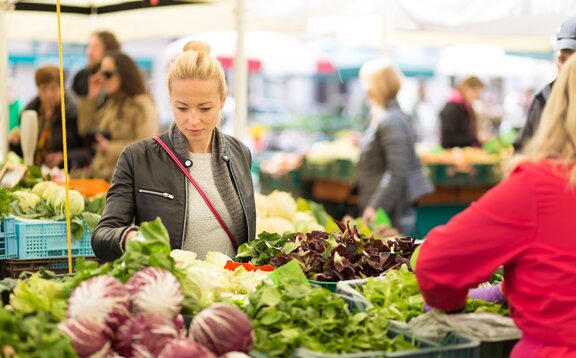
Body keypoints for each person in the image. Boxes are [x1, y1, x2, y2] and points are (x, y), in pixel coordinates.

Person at [415, 54, 576, 357]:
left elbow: (436, 264)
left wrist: (451, 304)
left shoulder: (539, 186)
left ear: (558, 107)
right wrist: (506, 290)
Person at [92, 41, 256, 262]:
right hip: (170, 289)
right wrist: (130, 237)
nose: (193, 120)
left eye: (205, 108)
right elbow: (102, 236)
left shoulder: (240, 153)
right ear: (170, 101)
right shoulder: (138, 158)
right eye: (182, 107)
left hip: (230, 290)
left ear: (223, 101)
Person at [357, 59, 433, 235]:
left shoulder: (390, 120)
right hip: (387, 208)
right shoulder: (384, 116)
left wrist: (375, 206)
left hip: (392, 212)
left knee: (394, 259)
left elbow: (397, 170)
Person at [77, 51, 160, 180]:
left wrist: (109, 147)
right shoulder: (112, 103)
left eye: (107, 74)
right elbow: (85, 130)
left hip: (125, 181)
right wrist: (92, 98)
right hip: (101, 177)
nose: (102, 79)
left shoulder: (142, 105)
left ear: (124, 74)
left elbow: (147, 146)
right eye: (100, 73)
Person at [513, 15, 576, 151]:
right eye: (562, 59)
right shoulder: (545, 96)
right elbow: (522, 147)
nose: (565, 67)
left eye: (571, 61)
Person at [8, 65, 90, 169]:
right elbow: (25, 154)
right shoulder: (30, 113)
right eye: (44, 89)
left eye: (53, 89)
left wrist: (65, 158)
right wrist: (16, 142)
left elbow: (88, 150)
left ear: (62, 87)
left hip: (67, 173)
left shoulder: (74, 112)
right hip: (37, 171)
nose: (48, 94)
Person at [72, 31, 120, 98]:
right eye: (89, 46)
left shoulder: (118, 77)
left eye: (95, 47)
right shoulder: (82, 76)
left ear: (109, 49)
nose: (89, 52)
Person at [439, 76, 484, 148]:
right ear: (466, 88)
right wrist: (474, 137)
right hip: (454, 155)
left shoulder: (466, 107)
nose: (477, 96)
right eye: (476, 92)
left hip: (467, 153)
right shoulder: (452, 109)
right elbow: (448, 139)